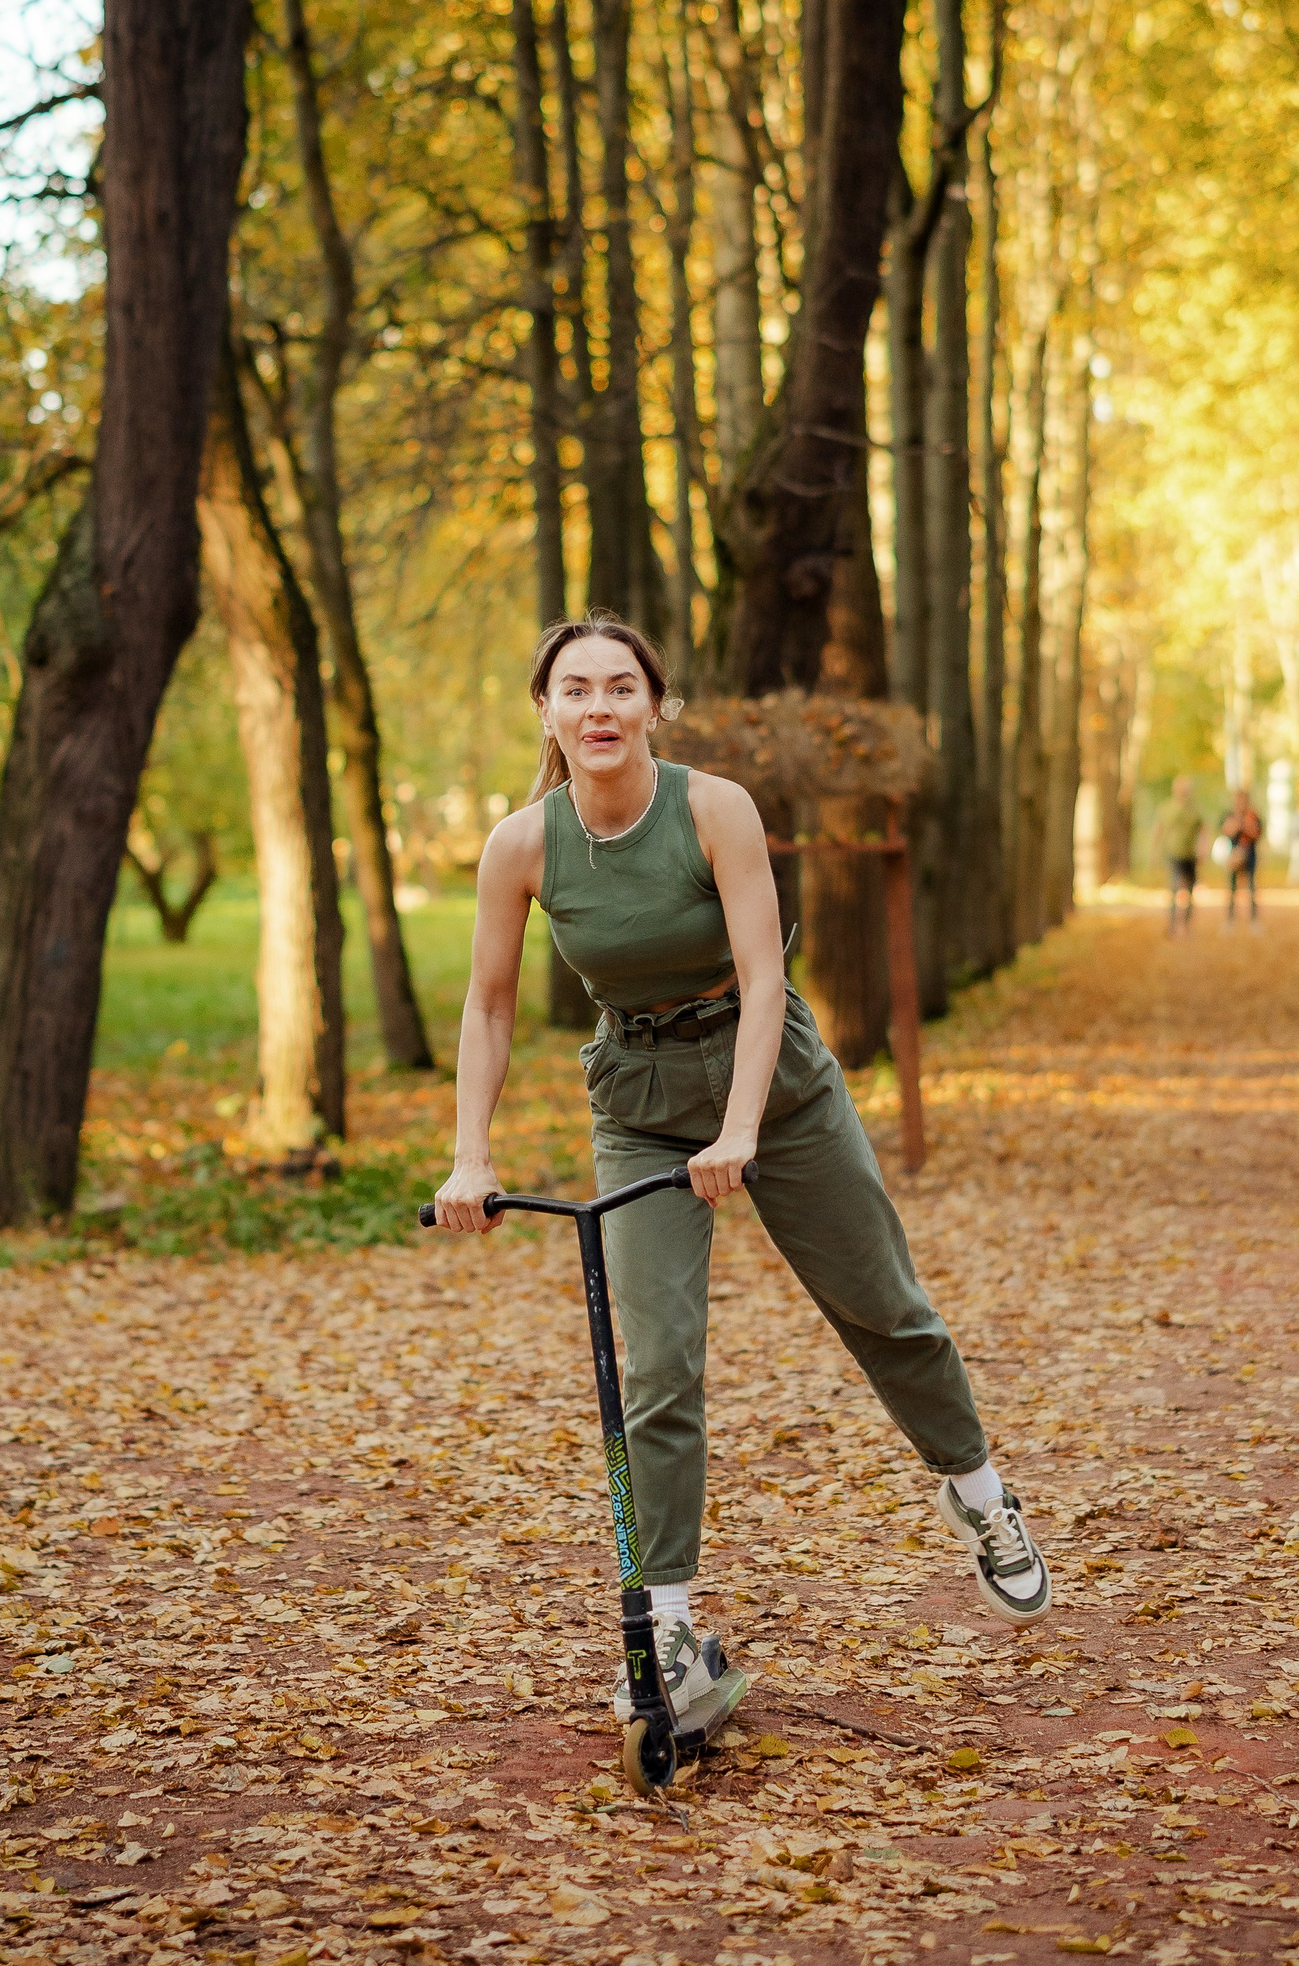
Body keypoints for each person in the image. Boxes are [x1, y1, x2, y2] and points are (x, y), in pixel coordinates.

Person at [431, 612, 1052, 1725]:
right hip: (638, 1099)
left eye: (622, 686)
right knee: (658, 1365)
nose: (601, 707)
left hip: (776, 1082)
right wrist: (470, 1152)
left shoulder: (712, 808)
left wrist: (742, 1126)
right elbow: (485, 1003)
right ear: (547, 711)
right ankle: (666, 1623)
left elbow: (765, 977)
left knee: (883, 1306)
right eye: (577, 690)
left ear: (656, 704)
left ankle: (979, 1493)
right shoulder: (520, 844)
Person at [1154, 775, 1204, 936]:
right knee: (1175, 889)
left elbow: (1203, 831)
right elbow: (1158, 830)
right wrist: (1155, 852)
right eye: (1181, 789)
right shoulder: (1166, 808)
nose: (1183, 792)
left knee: (1189, 891)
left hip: (1191, 855)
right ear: (1175, 790)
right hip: (1173, 854)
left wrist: (1203, 849)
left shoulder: (1195, 810)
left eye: (1186, 789)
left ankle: (1186, 925)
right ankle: (1173, 925)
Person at [1222, 786, 1263, 930]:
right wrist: (1238, 823)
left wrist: (1245, 825)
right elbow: (1226, 830)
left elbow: (1256, 833)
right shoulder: (1230, 815)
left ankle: (1254, 920)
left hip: (1250, 855)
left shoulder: (1253, 816)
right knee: (1232, 888)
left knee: (1251, 888)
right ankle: (1230, 919)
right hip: (1233, 855)